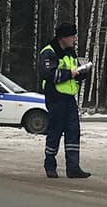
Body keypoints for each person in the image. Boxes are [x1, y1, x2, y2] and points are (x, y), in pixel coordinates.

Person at [38, 23, 91, 179]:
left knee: (73, 131)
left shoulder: (70, 53)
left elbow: (74, 74)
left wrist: (82, 72)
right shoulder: (48, 52)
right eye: (72, 36)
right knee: (55, 130)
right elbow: (49, 75)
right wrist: (71, 73)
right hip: (55, 97)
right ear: (63, 38)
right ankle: (50, 165)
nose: (74, 39)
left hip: (69, 97)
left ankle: (73, 167)